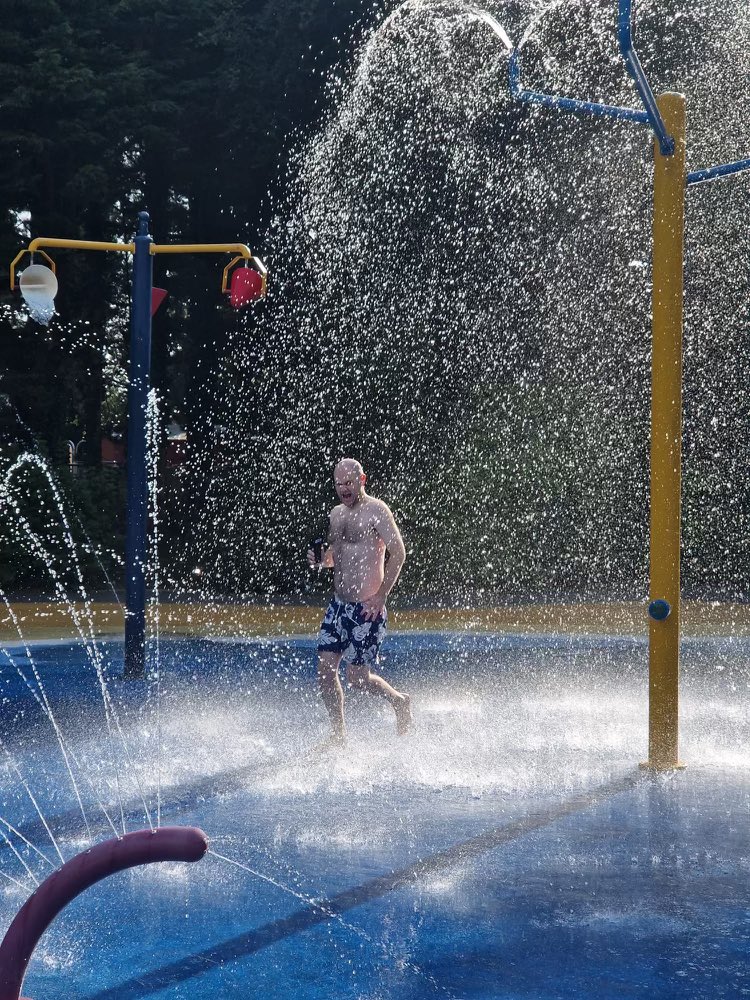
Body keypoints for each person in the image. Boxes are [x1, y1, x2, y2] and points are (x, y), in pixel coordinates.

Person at [308, 458, 413, 747]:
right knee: (325, 673)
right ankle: (338, 734)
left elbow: (399, 553)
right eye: (339, 484)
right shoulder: (336, 514)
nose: (344, 489)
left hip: (367, 609)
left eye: (349, 483)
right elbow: (338, 556)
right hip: (338, 606)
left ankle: (399, 700)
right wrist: (320, 561)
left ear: (362, 480)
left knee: (357, 679)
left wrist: (380, 596)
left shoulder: (377, 511)